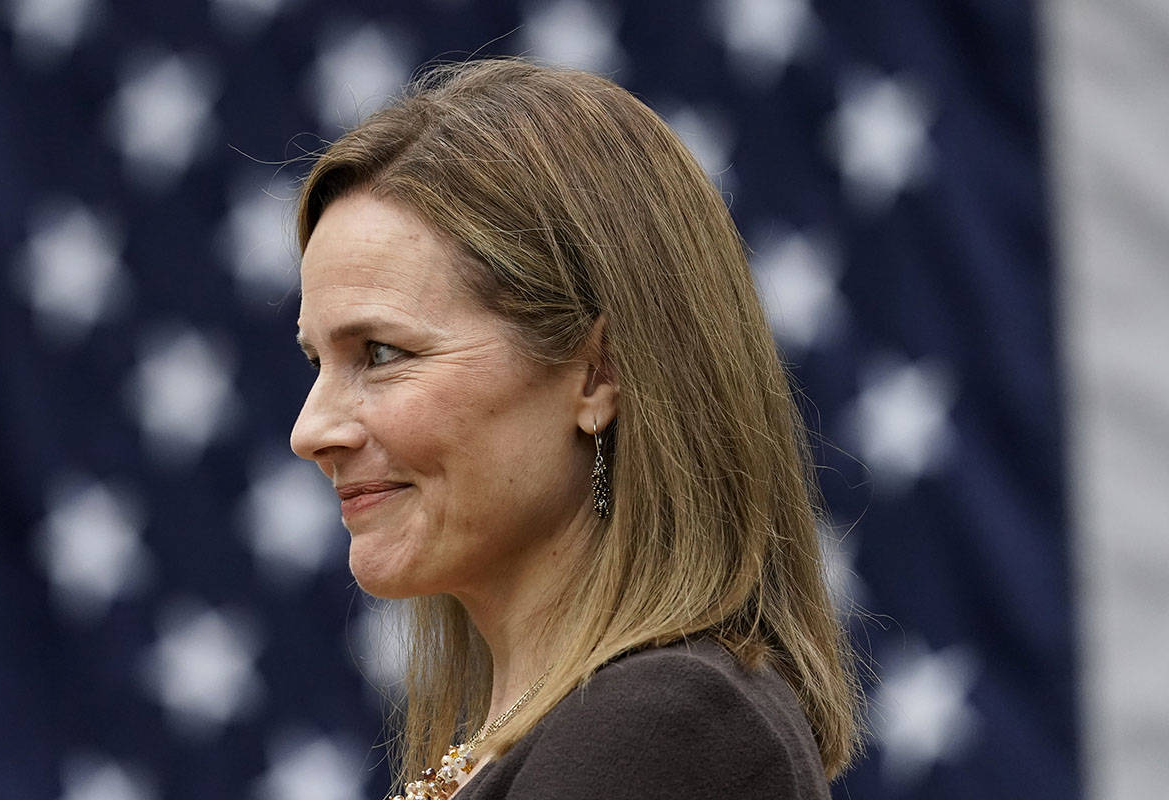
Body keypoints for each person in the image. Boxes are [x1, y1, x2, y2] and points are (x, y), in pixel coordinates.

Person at [289, 57, 861, 799]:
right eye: (315, 361)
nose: (312, 430)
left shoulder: (668, 730)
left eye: (382, 353)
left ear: (598, 375)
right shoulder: (581, 725)